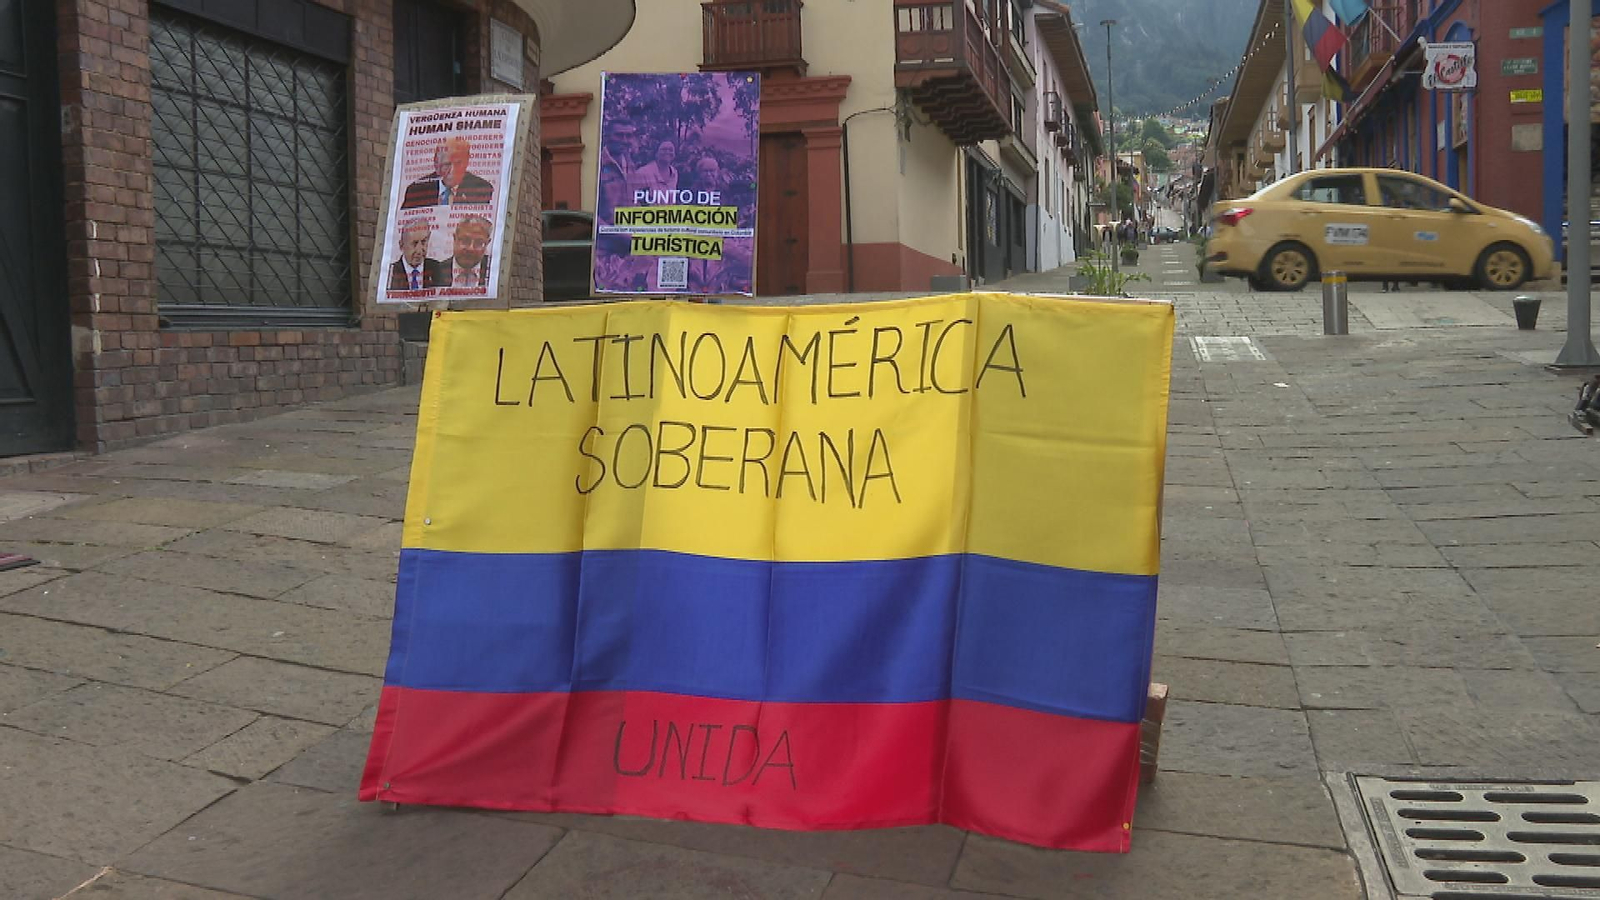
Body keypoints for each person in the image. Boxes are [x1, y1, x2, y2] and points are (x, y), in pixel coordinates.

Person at [402, 137, 494, 209]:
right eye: (447, 164)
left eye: (458, 163)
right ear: (436, 162)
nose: (452, 171)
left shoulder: (482, 188)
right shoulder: (416, 191)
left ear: (467, 161)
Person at [387, 218, 444, 291]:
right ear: (401, 245)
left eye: (423, 242)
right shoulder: (391, 273)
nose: (419, 251)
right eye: (414, 243)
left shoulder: (437, 268)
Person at [445, 215, 493, 288]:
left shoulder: (494, 271)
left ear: (487, 243)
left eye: (479, 243)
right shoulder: (437, 271)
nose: (471, 248)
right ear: (455, 239)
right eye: (465, 240)